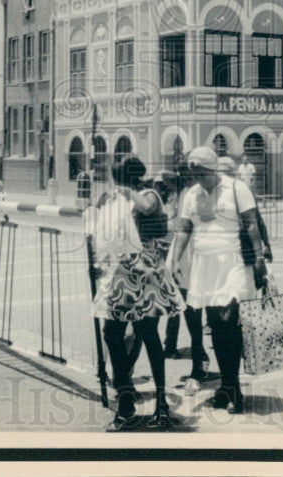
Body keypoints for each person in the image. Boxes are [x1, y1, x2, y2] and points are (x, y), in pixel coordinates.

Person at [89, 154, 185, 431]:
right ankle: (126, 398)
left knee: (149, 335)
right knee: (111, 333)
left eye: (115, 178)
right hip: (121, 274)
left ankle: (161, 406)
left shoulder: (149, 194)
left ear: (125, 178)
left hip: (145, 275)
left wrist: (125, 191)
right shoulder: (117, 200)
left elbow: (144, 208)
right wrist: (100, 262)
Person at [172, 146, 269, 414]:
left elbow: (251, 223)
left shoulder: (236, 188)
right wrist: (174, 260)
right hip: (205, 264)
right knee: (216, 325)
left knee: (228, 318)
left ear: (212, 168)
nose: (197, 177)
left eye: (201, 171)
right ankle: (227, 385)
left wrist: (259, 258)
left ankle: (233, 386)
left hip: (234, 260)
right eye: (194, 173)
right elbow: (183, 228)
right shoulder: (191, 194)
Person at [160, 167, 211, 384]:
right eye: (188, 175)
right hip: (183, 257)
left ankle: (200, 360)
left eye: (195, 174)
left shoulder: (202, 194)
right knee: (187, 311)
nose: (192, 179)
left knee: (195, 313)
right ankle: (198, 359)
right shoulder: (185, 194)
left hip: (197, 257)